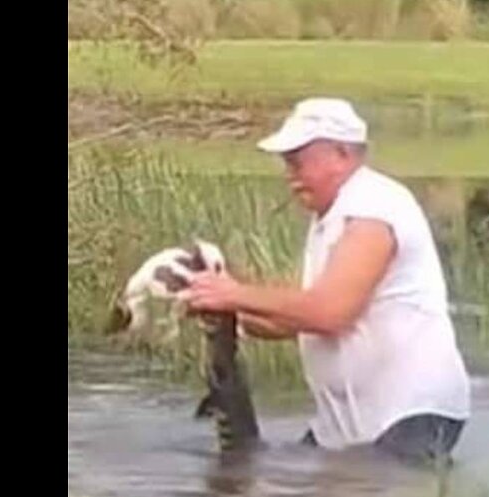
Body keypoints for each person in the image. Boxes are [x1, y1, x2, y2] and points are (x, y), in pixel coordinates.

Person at [183, 97, 470, 464]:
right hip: (350, 423)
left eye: (298, 161)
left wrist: (234, 295)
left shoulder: (374, 209)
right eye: (287, 162)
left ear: (341, 155)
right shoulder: (335, 215)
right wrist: (226, 315)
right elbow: (302, 319)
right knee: (288, 492)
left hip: (410, 414)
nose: (290, 173)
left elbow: (329, 312)